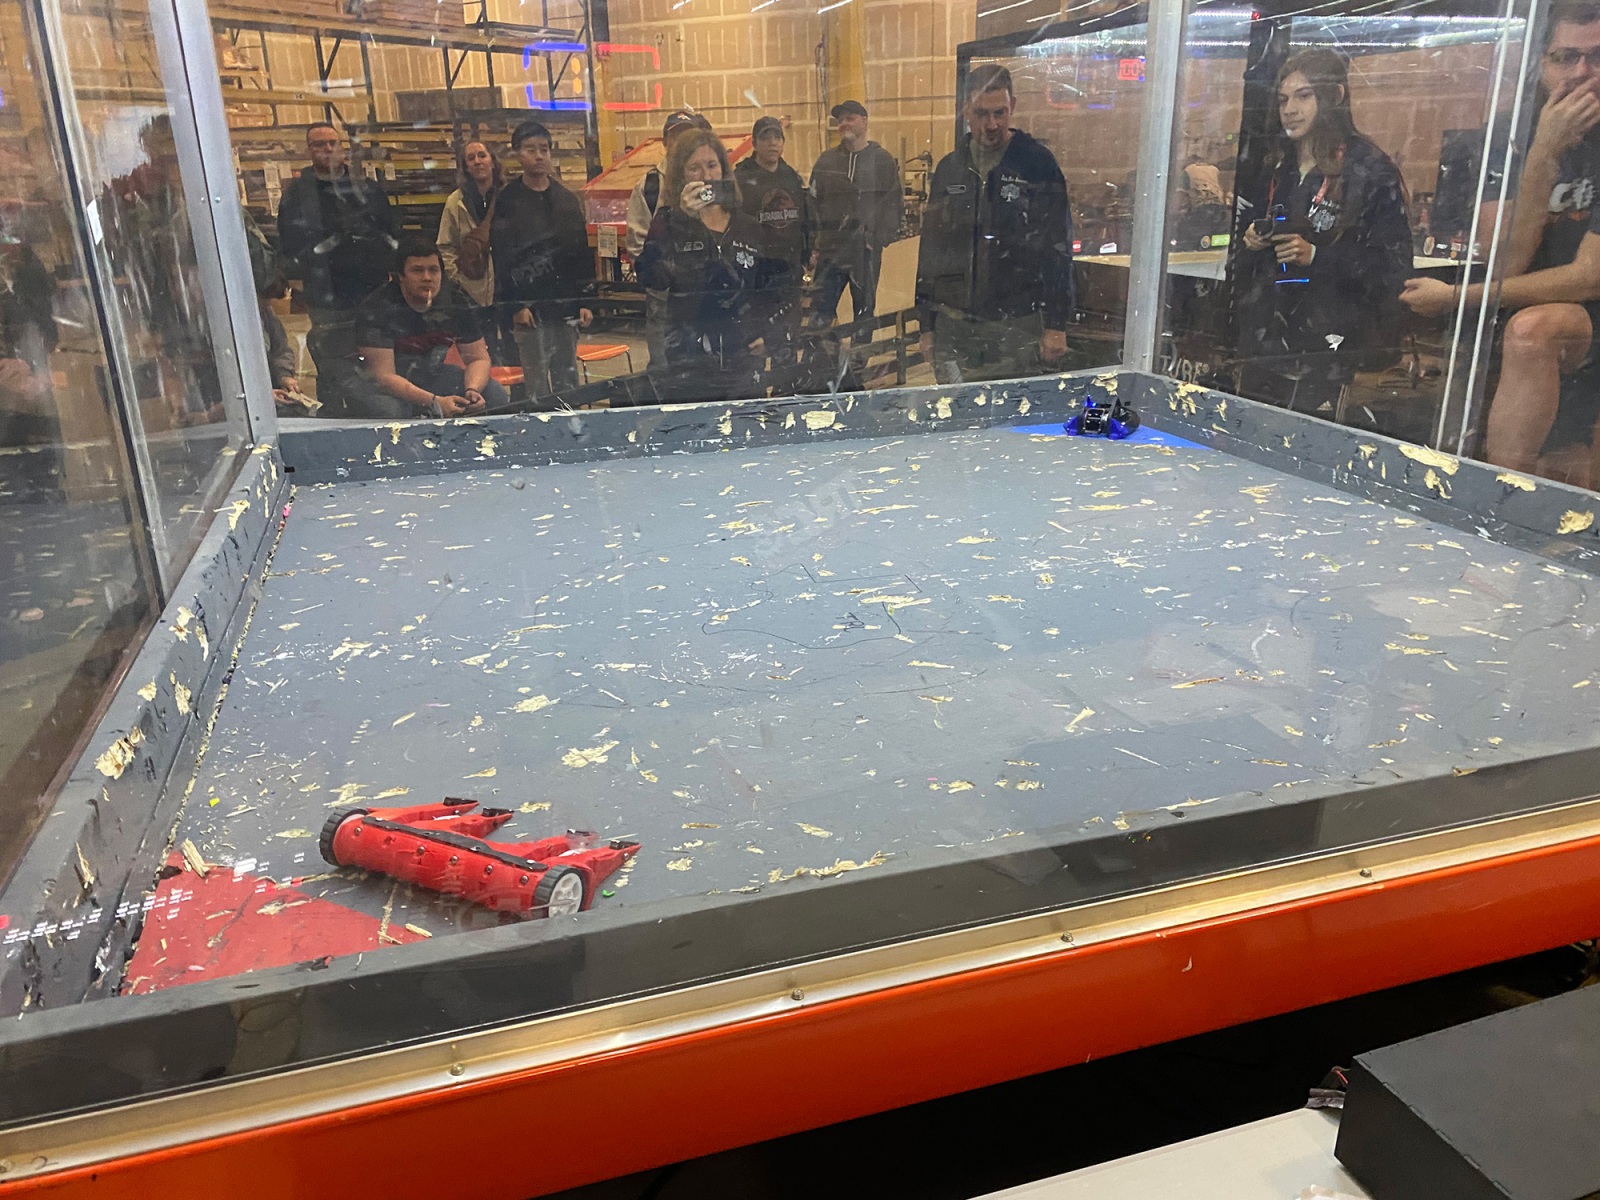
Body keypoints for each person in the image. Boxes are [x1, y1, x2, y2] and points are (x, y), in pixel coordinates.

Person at [1400, 0, 1600, 486]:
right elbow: (1506, 262)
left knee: (1533, 329)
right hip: (1520, 303)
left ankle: (1504, 496)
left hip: (1575, 309)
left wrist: (1455, 296)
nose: (1581, 73)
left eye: (1597, 57)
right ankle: (1504, 491)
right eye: (1565, 58)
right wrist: (1544, 152)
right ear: (1541, 64)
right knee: (1515, 333)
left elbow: (1589, 277)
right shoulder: (1511, 134)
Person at [1233, 49, 1412, 414]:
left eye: (1303, 96)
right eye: (1283, 100)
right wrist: (1250, 238)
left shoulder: (1368, 169)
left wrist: (1317, 256)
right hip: (1265, 336)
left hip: (1330, 343)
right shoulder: (1275, 164)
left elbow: (1392, 267)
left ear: (1334, 96)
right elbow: (1243, 239)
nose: (1290, 109)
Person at [915, 64, 1074, 384]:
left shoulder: (1037, 164)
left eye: (1000, 113)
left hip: (1017, 324)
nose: (992, 124)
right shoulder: (949, 170)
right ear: (966, 111)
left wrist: (1056, 324)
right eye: (981, 113)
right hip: (954, 324)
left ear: (1012, 106)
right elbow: (931, 249)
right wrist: (926, 326)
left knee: (1011, 410)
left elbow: (1057, 245)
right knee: (954, 409)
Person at [635, 129, 789, 402]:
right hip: (688, 362)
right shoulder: (668, 221)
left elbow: (772, 287)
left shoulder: (747, 225)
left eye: (711, 165)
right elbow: (651, 276)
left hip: (743, 361)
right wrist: (683, 221)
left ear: (723, 170)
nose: (705, 175)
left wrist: (770, 334)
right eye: (694, 167)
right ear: (681, 175)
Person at [276, 122, 396, 408]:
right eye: (319, 144)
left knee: (376, 359)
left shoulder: (366, 189)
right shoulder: (298, 195)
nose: (328, 149)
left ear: (342, 148)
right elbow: (289, 242)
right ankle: (333, 414)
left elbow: (390, 232)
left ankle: (376, 411)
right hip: (327, 293)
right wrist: (301, 279)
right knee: (332, 362)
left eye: (333, 143)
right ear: (309, 150)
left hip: (371, 291)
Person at [489, 120, 595, 404]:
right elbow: (503, 257)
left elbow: (580, 253)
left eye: (544, 149)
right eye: (531, 149)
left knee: (567, 379)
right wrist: (516, 305)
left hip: (564, 306)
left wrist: (585, 301)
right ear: (517, 154)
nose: (538, 156)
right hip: (530, 309)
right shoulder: (508, 201)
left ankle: (570, 426)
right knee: (534, 384)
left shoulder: (566, 200)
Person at [353, 237, 508, 419]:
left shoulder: (454, 301)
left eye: (433, 270)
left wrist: (472, 391)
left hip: (432, 376)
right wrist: (435, 402)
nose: (427, 278)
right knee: (390, 411)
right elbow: (383, 377)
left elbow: (478, 358)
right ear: (400, 276)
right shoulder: (378, 307)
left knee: (494, 394)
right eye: (417, 271)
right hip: (385, 387)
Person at [626, 109, 713, 368]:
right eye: (676, 136)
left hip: (702, 296)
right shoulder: (650, 186)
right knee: (664, 367)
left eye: (689, 135)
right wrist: (661, 278)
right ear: (665, 141)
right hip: (664, 300)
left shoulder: (709, 180)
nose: (682, 142)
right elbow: (637, 241)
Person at [809, 100, 903, 327]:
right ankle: (821, 349)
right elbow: (812, 204)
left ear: (865, 121)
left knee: (864, 313)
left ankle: (861, 350)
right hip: (831, 252)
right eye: (840, 120)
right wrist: (813, 245)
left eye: (850, 118)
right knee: (820, 312)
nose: (844, 124)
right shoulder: (826, 161)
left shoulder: (882, 160)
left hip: (864, 254)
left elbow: (893, 204)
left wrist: (877, 239)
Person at [734, 116, 812, 358]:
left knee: (786, 338)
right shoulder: (741, 178)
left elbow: (804, 220)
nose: (772, 143)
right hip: (756, 274)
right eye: (766, 138)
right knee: (754, 342)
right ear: (754, 143)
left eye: (777, 137)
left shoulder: (791, 177)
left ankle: (785, 377)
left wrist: (807, 254)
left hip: (787, 271)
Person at [436, 139, 504, 361]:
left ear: (492, 161)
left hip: (506, 289)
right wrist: (458, 279)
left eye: (482, 155)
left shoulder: (509, 197)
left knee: (513, 357)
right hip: (471, 290)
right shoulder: (456, 202)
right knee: (482, 355)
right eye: (471, 158)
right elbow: (445, 245)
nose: (477, 161)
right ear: (465, 166)